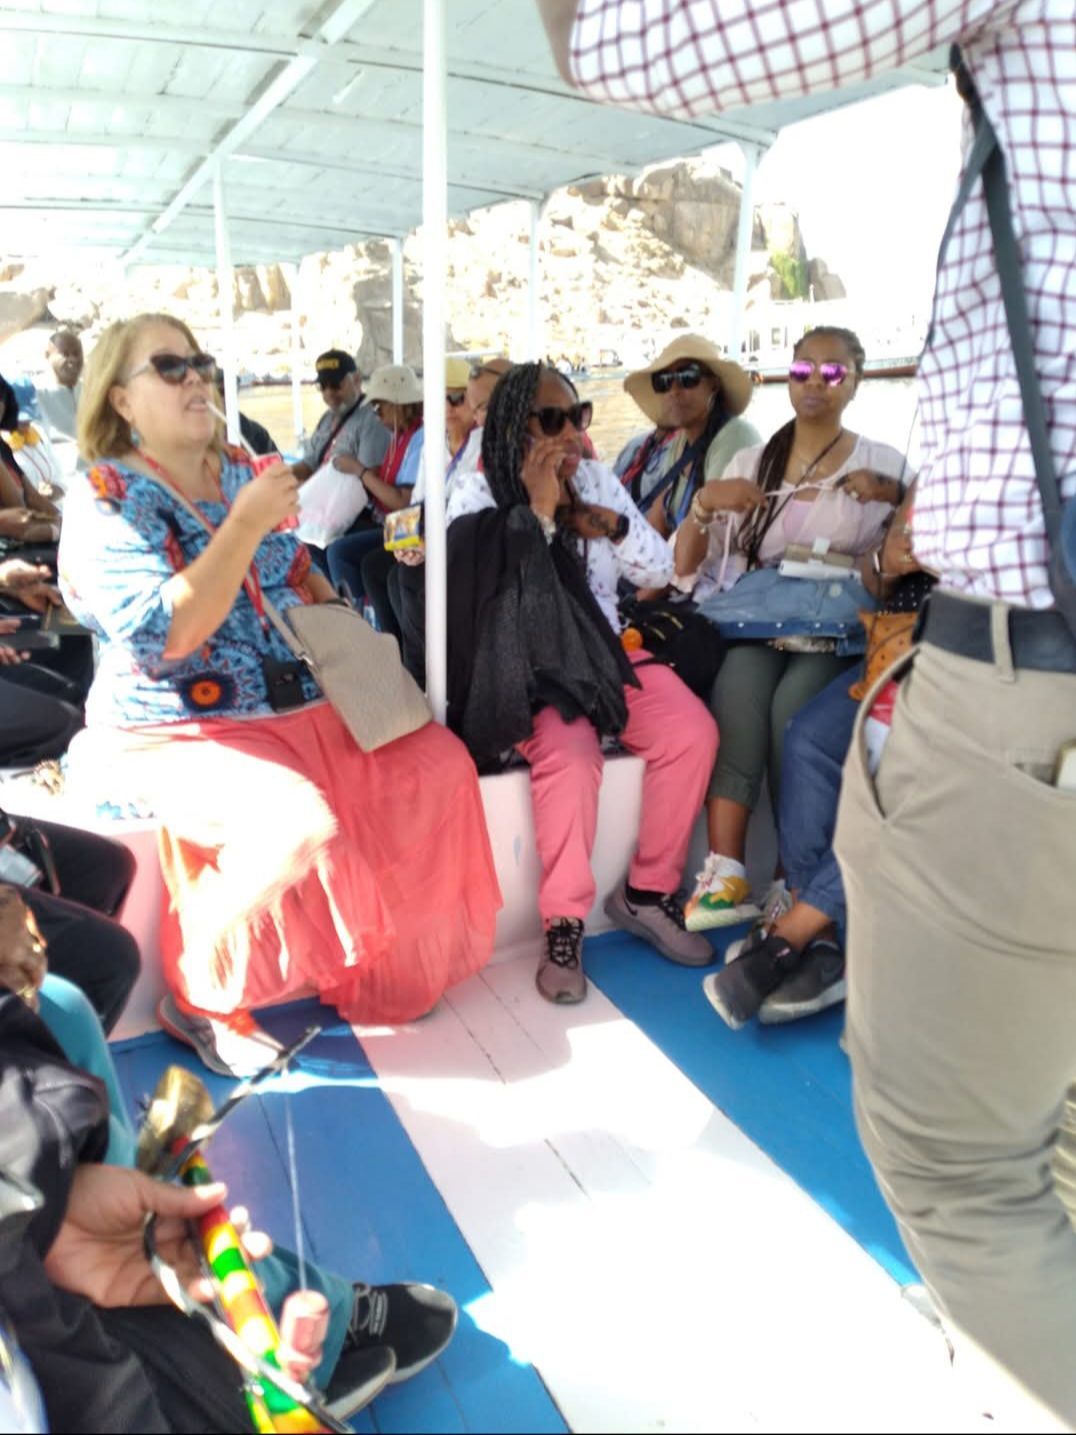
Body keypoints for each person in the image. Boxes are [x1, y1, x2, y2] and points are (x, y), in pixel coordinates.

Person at [540, 1, 1076, 1425]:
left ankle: (799, 916)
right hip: (859, 639)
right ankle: (755, 888)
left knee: (961, 1165)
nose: (815, 385)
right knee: (750, 692)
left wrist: (820, 530)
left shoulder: (845, 451)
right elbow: (706, 563)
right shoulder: (722, 452)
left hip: (985, 662)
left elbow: (632, 46)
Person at [57, 312, 501, 1077]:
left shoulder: (236, 464)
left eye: (198, 361)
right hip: (173, 725)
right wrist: (245, 520)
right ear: (121, 400)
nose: (195, 376)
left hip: (294, 700)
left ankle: (376, 967)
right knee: (297, 824)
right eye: (169, 367)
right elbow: (167, 634)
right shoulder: (105, 497)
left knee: (437, 765)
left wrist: (341, 624)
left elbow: (288, 565)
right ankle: (196, 993)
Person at [446, 362, 718, 1003]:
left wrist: (609, 523)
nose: (569, 432)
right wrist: (538, 515)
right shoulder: (477, 491)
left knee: (691, 732)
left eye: (578, 416)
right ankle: (563, 925)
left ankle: (647, 894)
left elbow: (663, 569)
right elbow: (490, 604)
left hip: (602, 652)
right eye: (550, 419)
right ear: (515, 425)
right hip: (528, 667)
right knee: (571, 755)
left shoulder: (594, 477)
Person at [673, 327, 907, 933]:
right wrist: (704, 502)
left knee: (792, 710)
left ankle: (789, 875)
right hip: (761, 612)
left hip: (838, 621)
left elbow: (897, 573)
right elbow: (685, 564)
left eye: (833, 373)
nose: (815, 384)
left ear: (856, 381)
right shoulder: (752, 463)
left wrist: (893, 501)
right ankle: (725, 870)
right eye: (804, 370)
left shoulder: (885, 464)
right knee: (739, 692)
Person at [622, 334, 760, 543]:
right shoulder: (681, 443)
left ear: (714, 385)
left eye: (688, 377)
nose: (674, 391)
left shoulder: (734, 437)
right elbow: (657, 522)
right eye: (664, 382)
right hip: (681, 564)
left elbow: (710, 535)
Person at [325, 362, 423, 613]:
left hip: (409, 522)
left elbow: (402, 500)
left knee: (346, 554)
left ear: (398, 404)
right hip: (391, 519)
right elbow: (389, 474)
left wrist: (360, 470)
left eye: (380, 408)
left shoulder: (420, 437)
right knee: (326, 536)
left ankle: (364, 623)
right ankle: (347, 610)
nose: (376, 415)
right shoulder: (400, 435)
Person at [291, 349, 390, 574]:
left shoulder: (371, 420)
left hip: (356, 513)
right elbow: (308, 465)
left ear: (355, 379)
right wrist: (277, 476)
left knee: (335, 550)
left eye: (336, 385)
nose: (329, 393)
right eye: (322, 386)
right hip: (323, 509)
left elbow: (370, 479)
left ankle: (343, 604)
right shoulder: (327, 419)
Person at [35, 331, 84, 482]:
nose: (72, 360)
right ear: (47, 355)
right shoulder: (36, 393)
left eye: (76, 354)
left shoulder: (91, 389)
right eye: (65, 354)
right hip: (62, 474)